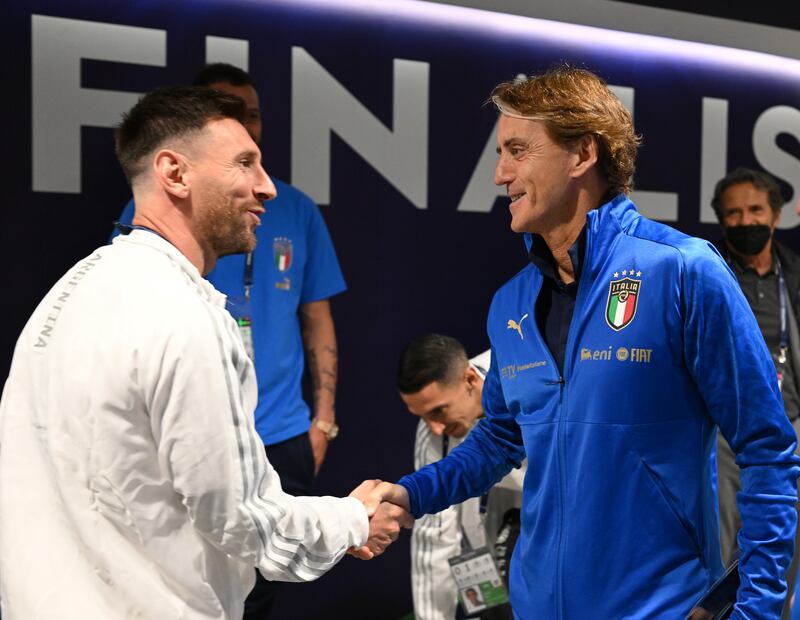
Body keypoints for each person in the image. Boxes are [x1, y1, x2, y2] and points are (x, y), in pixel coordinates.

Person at [358, 67, 799, 618]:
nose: (499, 174)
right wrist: (412, 493)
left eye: (517, 150)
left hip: (661, 605)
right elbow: (500, 437)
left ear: (582, 153)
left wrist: (756, 609)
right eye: (500, 153)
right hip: (537, 605)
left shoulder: (683, 271)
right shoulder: (510, 304)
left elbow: (767, 450)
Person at [0, 86, 409, 619]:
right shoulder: (186, 315)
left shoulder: (67, 293)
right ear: (174, 173)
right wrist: (354, 519)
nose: (267, 188)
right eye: (245, 163)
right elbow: (243, 520)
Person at [113, 64, 346, 616]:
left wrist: (324, 418)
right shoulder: (145, 228)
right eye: (229, 113)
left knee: (264, 588)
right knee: (194, 577)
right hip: (195, 428)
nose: (246, 125)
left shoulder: (295, 208)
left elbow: (318, 317)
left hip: (284, 430)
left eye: (253, 116)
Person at [711, 167, 800, 617]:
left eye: (755, 210)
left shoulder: (796, 274)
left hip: (790, 430)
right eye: (733, 214)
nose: (745, 222)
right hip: (727, 437)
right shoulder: (708, 276)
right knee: (725, 547)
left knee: (784, 546)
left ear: (776, 214)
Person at [397, 334, 523, 620]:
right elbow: (434, 531)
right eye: (422, 415)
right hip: (488, 526)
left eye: (438, 411)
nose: (435, 428)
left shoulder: (527, 381)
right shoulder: (435, 430)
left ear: (469, 379)